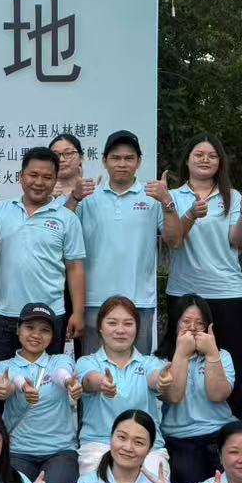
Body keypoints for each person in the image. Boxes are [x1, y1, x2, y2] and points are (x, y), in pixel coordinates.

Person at [161, 135, 242, 417]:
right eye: (199, 154)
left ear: (220, 162)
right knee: (182, 359)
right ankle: (179, 421)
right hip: (183, 292)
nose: (205, 159)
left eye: (212, 155)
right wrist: (190, 213)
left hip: (226, 291)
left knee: (229, 361)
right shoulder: (172, 197)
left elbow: (239, 240)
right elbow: (173, 240)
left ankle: (233, 423)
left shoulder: (233, 197)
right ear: (187, 160)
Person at [0, 147, 87, 359]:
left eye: (47, 177)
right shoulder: (0, 210)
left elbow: (75, 268)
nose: (39, 182)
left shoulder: (67, 218)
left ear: (55, 180)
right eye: (33, 175)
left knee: (45, 378)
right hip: (4, 314)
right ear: (21, 177)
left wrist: (78, 312)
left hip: (48, 317)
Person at [76, 131, 166, 355]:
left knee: (138, 367)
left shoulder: (153, 197)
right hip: (94, 300)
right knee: (92, 368)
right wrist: (73, 198)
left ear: (139, 162)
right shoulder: (88, 197)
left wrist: (168, 202)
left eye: (128, 158)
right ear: (104, 161)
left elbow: (174, 239)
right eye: (115, 158)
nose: (122, 164)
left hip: (140, 301)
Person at [0, 302, 81, 483]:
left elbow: (61, 374)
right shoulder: (2, 367)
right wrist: (19, 387)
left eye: (44, 330)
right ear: (18, 329)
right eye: (29, 327)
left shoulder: (61, 360)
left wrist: (69, 382)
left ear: (52, 336)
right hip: (17, 452)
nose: (36, 334)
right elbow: (11, 381)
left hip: (60, 452)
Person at [73, 296, 170, 477]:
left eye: (128, 324)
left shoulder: (150, 363)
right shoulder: (86, 362)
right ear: (100, 328)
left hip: (147, 448)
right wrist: (102, 382)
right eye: (112, 323)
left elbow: (155, 377)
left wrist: (161, 380)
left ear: (137, 328)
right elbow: (89, 380)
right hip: (99, 446)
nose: (120, 330)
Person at [159, 296, 236, 483]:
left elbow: (218, 395)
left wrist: (211, 353)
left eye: (199, 323)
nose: (192, 328)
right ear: (175, 324)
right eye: (186, 321)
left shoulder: (222, 356)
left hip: (220, 431)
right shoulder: (159, 361)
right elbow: (173, 396)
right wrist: (181, 354)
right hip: (180, 436)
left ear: (208, 327)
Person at [77, 410, 169, 483]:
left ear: (149, 449)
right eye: (122, 437)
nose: (128, 448)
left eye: (138, 442)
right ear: (111, 437)